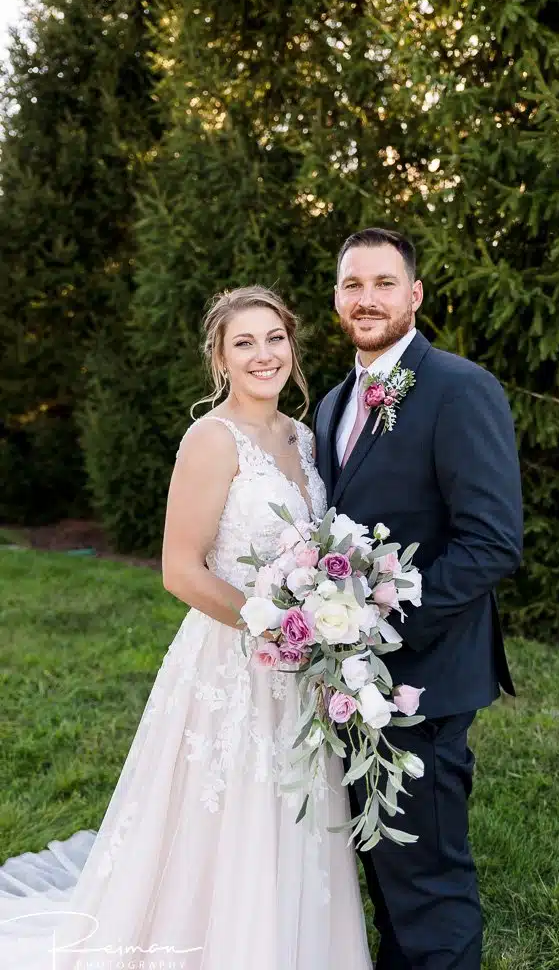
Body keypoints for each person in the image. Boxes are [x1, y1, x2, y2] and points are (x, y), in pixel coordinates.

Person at [0, 286, 372, 970]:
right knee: (225, 818)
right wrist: (274, 627)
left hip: (303, 667)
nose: (263, 355)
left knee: (292, 814)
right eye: (244, 343)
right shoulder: (210, 439)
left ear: (292, 344)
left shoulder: (304, 436)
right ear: (220, 359)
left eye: (274, 338)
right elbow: (180, 570)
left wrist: (324, 618)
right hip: (234, 659)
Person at [313, 228, 524, 969]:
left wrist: (378, 630)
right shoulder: (333, 402)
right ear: (336, 298)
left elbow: (491, 541)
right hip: (344, 681)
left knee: (427, 878)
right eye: (351, 285)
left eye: (382, 283)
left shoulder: (459, 388)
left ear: (414, 295)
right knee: (379, 867)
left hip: (420, 679)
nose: (365, 299)